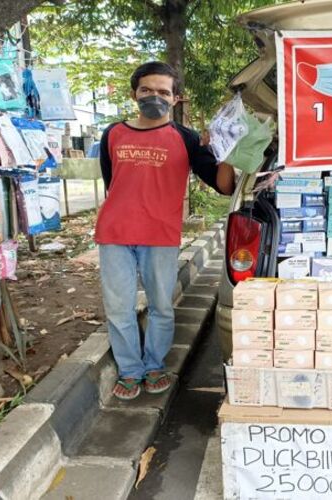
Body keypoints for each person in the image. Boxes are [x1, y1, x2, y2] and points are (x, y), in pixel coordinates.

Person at [95, 61, 235, 400]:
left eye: (162, 92)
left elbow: (224, 186)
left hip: (160, 235)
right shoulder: (113, 133)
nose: (154, 97)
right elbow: (113, 182)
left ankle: (154, 364)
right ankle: (130, 370)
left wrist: (229, 150)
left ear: (176, 99)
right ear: (134, 94)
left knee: (161, 305)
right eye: (147, 90)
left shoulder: (185, 139)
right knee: (119, 308)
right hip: (115, 233)